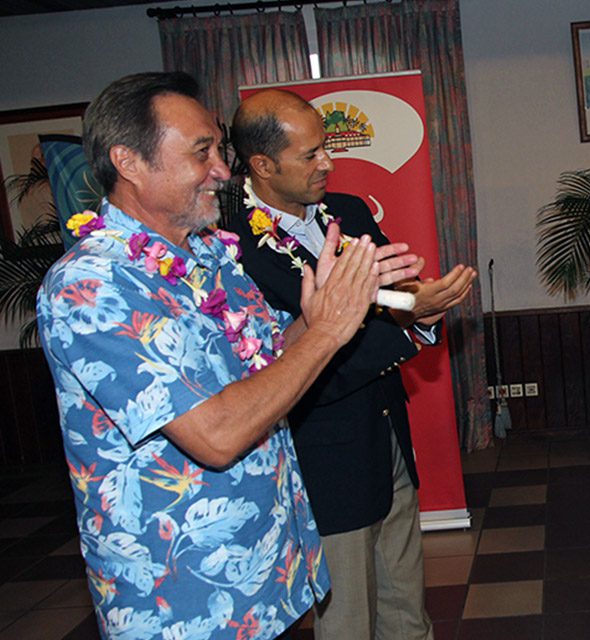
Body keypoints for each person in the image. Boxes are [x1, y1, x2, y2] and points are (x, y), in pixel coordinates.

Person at [37, 72, 419, 639]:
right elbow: (215, 436)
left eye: (219, 149)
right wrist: (327, 333)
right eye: (202, 153)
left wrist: (316, 318)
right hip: (184, 602)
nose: (223, 169)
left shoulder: (213, 257)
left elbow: (269, 365)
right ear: (130, 162)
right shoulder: (91, 286)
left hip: (270, 575)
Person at [225, 89, 476, 640]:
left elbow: (391, 295)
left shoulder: (350, 212)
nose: (328, 164)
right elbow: (289, 360)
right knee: (347, 618)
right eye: (310, 155)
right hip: (323, 455)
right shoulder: (232, 247)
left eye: (326, 148)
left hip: (386, 429)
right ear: (263, 166)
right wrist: (410, 324)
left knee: (407, 608)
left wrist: (419, 303)